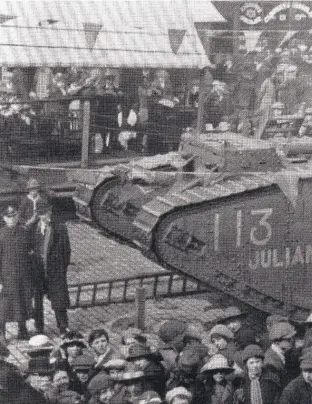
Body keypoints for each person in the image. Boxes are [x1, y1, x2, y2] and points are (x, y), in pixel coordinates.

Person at [31, 200, 71, 335]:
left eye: (49, 212)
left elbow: (67, 251)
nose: (47, 216)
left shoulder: (60, 228)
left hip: (55, 271)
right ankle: (39, 327)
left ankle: (63, 326)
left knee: (59, 299)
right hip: (39, 271)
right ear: (38, 215)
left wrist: (62, 270)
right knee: (38, 300)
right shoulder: (33, 228)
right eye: (44, 214)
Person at [0, 205, 33, 342]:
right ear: (4, 218)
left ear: (17, 216)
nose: (12, 219)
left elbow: (30, 253)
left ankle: (23, 329)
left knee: (23, 302)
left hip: (23, 276)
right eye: (9, 217)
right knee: (4, 306)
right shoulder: (1, 235)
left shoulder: (23, 232)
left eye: (14, 216)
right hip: (7, 277)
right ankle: (2, 334)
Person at [264, 322, 296, 389]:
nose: (292, 341)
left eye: (292, 338)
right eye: (288, 339)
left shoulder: (279, 353)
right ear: (277, 342)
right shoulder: (270, 363)